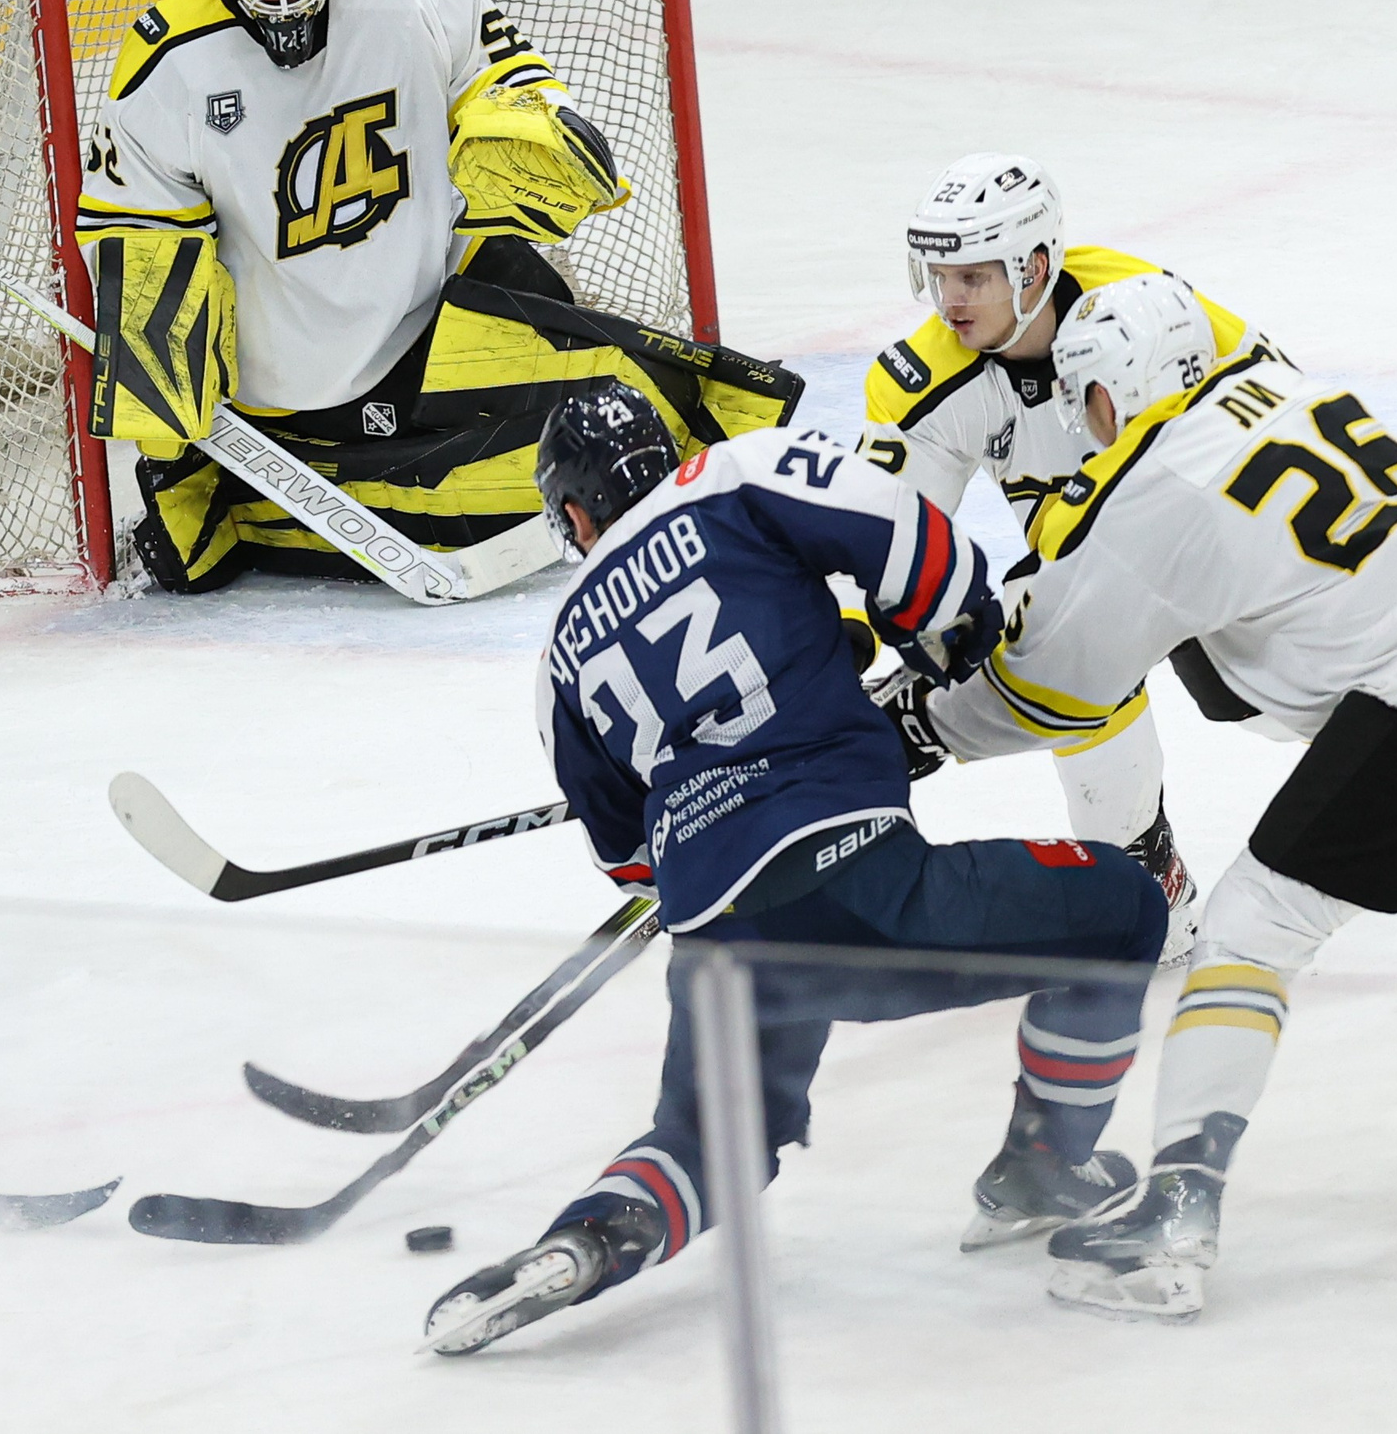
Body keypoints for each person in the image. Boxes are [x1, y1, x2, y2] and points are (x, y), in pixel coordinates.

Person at [890, 273, 1397, 1322]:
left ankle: (1174, 1220)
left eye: (1088, 392)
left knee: (1250, 926)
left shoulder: (1149, 496)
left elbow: (1050, 693)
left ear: (1115, 390)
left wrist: (918, 727)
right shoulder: (1263, 387)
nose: (1080, 413)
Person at [421, 386, 1166, 1357]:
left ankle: (586, 1242)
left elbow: (630, 861)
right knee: (1120, 907)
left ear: (573, 514)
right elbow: (910, 543)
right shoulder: (732, 473)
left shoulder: (558, 659)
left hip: (716, 939)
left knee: (716, 1140)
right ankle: (1042, 1163)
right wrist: (938, 630)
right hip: (864, 894)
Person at [76, 0, 800, 593]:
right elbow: (141, 262)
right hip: (294, 386)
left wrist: (528, 119)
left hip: (439, 315)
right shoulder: (168, 65)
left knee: (646, 397)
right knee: (445, 491)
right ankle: (271, 500)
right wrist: (170, 455)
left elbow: (505, 76)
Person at [859, 154, 1289, 959]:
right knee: (1072, 665)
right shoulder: (922, 380)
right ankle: (1145, 878)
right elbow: (885, 534)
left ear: (1036, 267)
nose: (950, 299)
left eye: (975, 277)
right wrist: (851, 638)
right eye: (940, 273)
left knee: (1261, 701)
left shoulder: (1156, 319)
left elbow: (1281, 423)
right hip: (1098, 565)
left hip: (1211, 538)